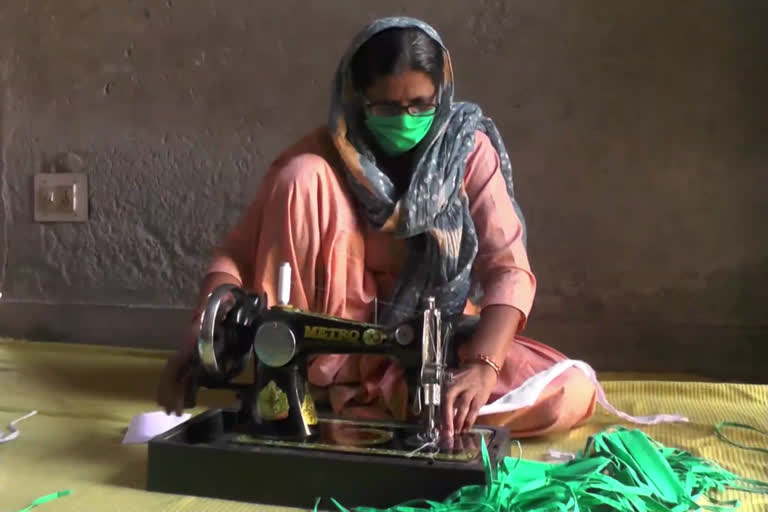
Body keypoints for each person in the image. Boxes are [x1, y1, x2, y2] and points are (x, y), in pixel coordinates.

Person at [157, 17, 596, 438]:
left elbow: (508, 269)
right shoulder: (323, 157)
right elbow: (236, 257)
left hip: (431, 349)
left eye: (420, 105)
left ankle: (388, 397)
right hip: (326, 360)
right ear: (356, 98)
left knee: (569, 392)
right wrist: (202, 336)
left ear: (440, 97)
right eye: (386, 107)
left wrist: (483, 366)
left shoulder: (465, 153)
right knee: (301, 177)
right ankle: (336, 385)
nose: (405, 119)